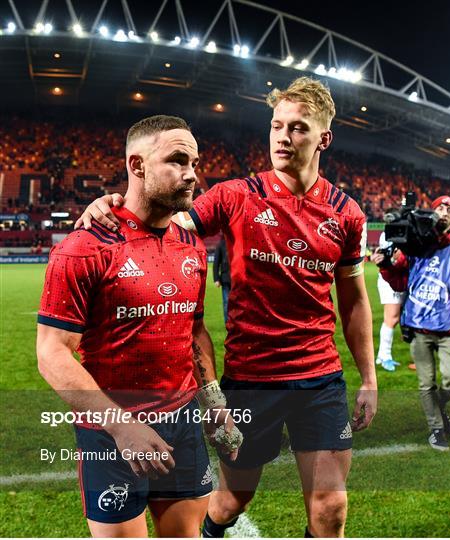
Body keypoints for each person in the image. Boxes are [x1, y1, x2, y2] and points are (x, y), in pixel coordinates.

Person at [76, 77, 378, 538]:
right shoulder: (237, 195)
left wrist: (369, 379)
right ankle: (218, 529)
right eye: (277, 125)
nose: (282, 136)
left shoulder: (347, 214)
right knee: (234, 496)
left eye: (298, 128)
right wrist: (112, 204)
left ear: (323, 139)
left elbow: (355, 301)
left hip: (320, 380)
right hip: (251, 379)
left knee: (330, 506)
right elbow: (161, 217)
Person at [37, 115, 241, 538]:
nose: (192, 175)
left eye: (195, 162)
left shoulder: (190, 244)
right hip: (111, 433)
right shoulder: (85, 247)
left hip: (183, 421)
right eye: (178, 161)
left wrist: (213, 400)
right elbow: (52, 352)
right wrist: (121, 426)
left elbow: (194, 329)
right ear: (137, 165)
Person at [373, 195, 450, 451]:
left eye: (449, 210)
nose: (444, 212)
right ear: (431, 213)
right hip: (417, 324)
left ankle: (439, 410)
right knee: (426, 383)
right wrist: (386, 267)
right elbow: (400, 282)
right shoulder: (414, 245)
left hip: (448, 328)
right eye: (440, 208)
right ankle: (436, 430)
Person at [374, 231, 404, 372]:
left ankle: (382, 355)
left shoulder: (390, 232)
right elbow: (387, 253)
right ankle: (385, 356)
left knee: (393, 319)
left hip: (397, 276)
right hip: (389, 278)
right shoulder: (388, 233)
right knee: (391, 318)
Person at [213, 236, 231, 323]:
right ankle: (227, 323)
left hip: (238, 279)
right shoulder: (221, 244)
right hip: (225, 279)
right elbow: (216, 263)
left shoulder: (238, 242)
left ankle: (237, 323)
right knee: (226, 302)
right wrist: (216, 278)